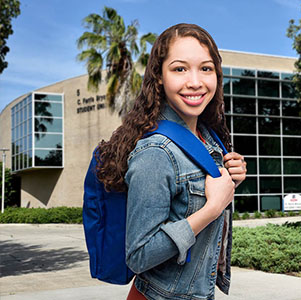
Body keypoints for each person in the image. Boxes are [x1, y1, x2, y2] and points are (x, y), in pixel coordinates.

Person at [94, 23, 247, 300]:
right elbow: (139, 256)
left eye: (206, 68)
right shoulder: (156, 152)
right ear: (160, 77)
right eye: (180, 69)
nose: (195, 81)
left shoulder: (206, 138)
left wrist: (230, 174)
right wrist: (212, 208)